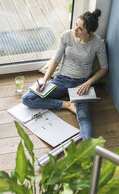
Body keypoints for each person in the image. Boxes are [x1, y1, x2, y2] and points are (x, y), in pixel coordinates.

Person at [22, 9, 108, 140]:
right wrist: (45, 80)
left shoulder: (98, 44)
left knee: (84, 117)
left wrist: (88, 82)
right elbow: (55, 60)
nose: (75, 30)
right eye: (75, 25)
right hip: (61, 80)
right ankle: (67, 105)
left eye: (80, 29)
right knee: (27, 99)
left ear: (89, 32)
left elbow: (104, 68)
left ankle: (89, 152)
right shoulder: (67, 36)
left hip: (81, 84)